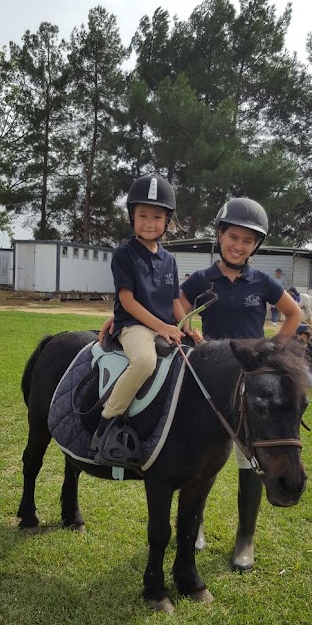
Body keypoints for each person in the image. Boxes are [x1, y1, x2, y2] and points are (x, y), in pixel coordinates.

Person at [180, 197, 302, 571]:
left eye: (248, 241)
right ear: (220, 235)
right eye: (234, 237)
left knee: (251, 461)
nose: (239, 246)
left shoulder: (262, 281)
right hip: (211, 380)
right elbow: (178, 305)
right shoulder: (202, 279)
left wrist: (274, 349)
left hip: (251, 382)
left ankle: (244, 541)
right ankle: (194, 525)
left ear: (256, 247)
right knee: (199, 459)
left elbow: (294, 313)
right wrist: (189, 328)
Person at [92, 174, 198, 466]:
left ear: (167, 221)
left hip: (164, 327)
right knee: (144, 362)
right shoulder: (124, 254)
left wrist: (187, 327)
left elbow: (175, 302)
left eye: (157, 216)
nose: (149, 222)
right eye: (142, 215)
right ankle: (106, 423)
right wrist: (162, 327)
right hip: (135, 326)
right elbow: (127, 301)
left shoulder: (170, 260)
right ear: (132, 217)